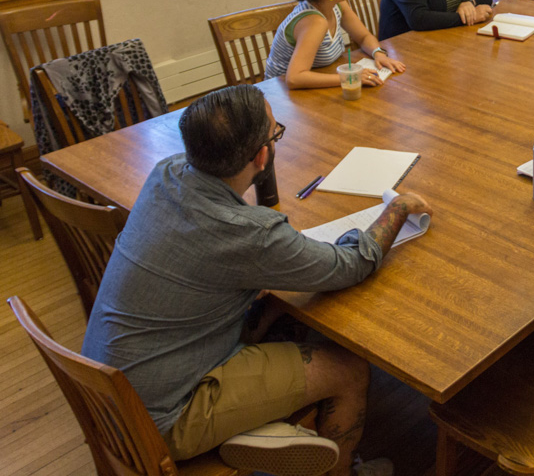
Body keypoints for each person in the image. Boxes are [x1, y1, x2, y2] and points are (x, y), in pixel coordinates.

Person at [82, 85, 432, 476]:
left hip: (108, 391)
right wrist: (397, 206)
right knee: (350, 370)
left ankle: (258, 425)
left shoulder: (165, 173)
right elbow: (351, 264)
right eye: (274, 133)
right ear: (262, 155)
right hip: (160, 420)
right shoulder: (249, 235)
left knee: (277, 315)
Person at [265, 0, 406, 89]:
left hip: (315, 82)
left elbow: (363, 37)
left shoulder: (336, 4)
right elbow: (294, 78)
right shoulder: (314, 22)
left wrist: (378, 53)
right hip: (282, 96)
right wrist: (349, 77)